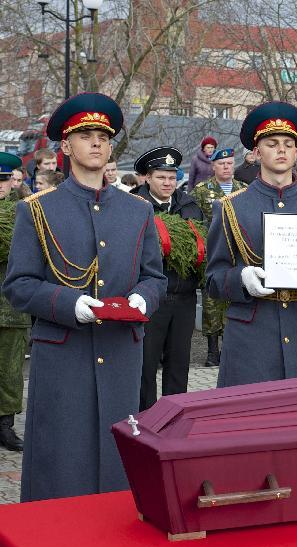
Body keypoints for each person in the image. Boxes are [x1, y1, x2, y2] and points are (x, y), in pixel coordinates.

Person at [2, 92, 166, 501]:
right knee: (61, 457)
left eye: (103, 136)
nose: (96, 142)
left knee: (117, 458)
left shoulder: (137, 211)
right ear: (65, 147)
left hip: (120, 353)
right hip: (63, 352)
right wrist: (70, 304)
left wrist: (145, 297)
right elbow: (18, 284)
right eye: (85, 135)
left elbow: (154, 276)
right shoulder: (38, 210)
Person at [205, 101, 297, 388]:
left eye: (288, 143)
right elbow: (213, 278)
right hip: (252, 336)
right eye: (272, 143)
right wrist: (241, 277)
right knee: (248, 426)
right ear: (256, 152)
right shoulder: (231, 207)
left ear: (296, 151)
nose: (281, 149)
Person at [132, 147, 204, 410]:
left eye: (172, 178)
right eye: (161, 177)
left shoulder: (189, 206)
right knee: (146, 365)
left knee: (179, 365)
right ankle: (145, 419)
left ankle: (175, 419)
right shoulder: (135, 207)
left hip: (183, 298)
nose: (168, 183)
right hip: (150, 300)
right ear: (147, 178)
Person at [190, 148, 248, 366]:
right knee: (212, 303)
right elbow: (193, 223)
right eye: (222, 164)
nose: (226, 167)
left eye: (230, 163)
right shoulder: (201, 190)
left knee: (234, 300)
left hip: (238, 255)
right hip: (212, 254)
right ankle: (212, 352)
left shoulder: (244, 189)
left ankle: (230, 350)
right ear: (213, 167)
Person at [0, 152, 29, 452]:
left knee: (10, 371)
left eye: (4, 179)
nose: (0, 185)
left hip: (11, 309)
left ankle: (5, 426)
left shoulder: (21, 213)